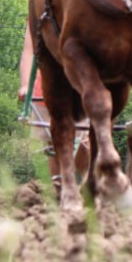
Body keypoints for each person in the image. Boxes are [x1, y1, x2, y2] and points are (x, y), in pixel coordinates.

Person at [18, 25, 91, 188]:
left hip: (79, 87)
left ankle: (84, 182)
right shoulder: (39, 14)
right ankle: (58, 187)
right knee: (53, 143)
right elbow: (29, 52)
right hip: (46, 88)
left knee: (82, 141)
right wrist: (25, 85)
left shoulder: (81, 10)